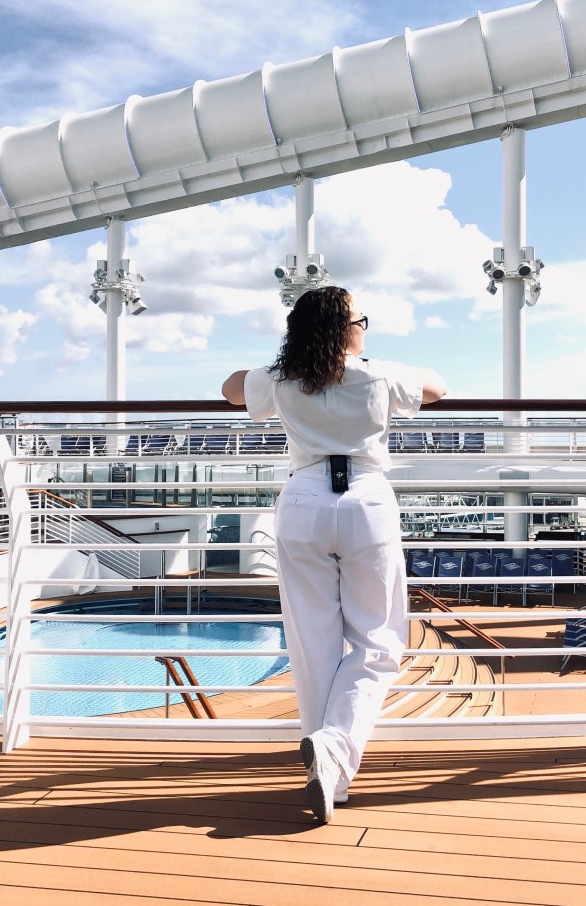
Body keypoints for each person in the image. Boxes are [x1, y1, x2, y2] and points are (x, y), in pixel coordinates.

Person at [222, 286, 447, 823]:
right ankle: (335, 750)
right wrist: (371, 363)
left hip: (302, 501)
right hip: (365, 502)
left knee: (312, 642)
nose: (365, 326)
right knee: (380, 640)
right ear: (347, 330)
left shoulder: (282, 380)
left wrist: (280, 366)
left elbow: (230, 388)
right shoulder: (377, 373)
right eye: (360, 320)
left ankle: (329, 771)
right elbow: (439, 387)